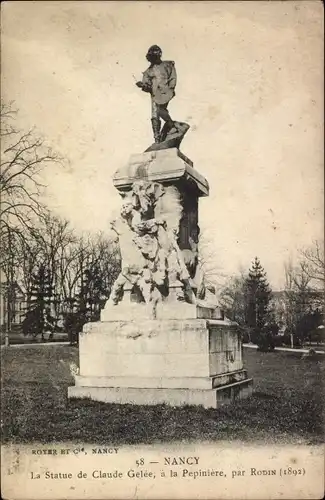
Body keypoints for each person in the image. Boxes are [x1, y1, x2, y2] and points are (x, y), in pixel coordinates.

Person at [136, 45, 177, 143]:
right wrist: (143, 86)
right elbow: (147, 86)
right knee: (155, 114)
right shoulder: (148, 71)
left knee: (160, 110)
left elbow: (173, 77)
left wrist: (171, 88)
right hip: (154, 95)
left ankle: (171, 125)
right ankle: (157, 138)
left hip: (165, 92)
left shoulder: (167, 65)